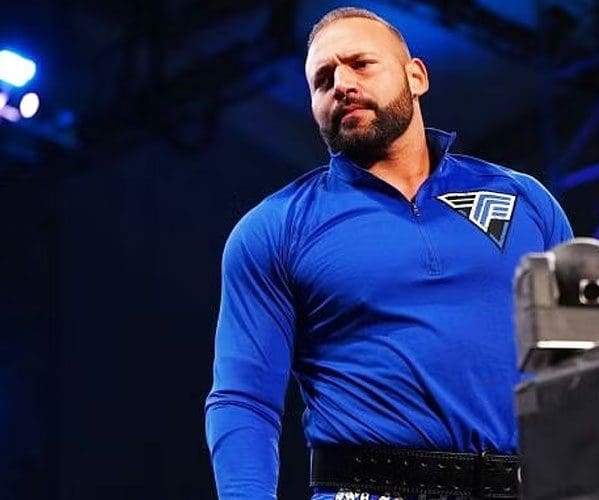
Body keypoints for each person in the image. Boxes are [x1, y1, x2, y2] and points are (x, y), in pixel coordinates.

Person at [205, 7, 573, 500]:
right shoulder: (274, 229)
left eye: (361, 64)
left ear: (416, 76)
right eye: (322, 80)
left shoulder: (526, 202)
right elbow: (244, 400)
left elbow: (580, 372)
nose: (341, 84)